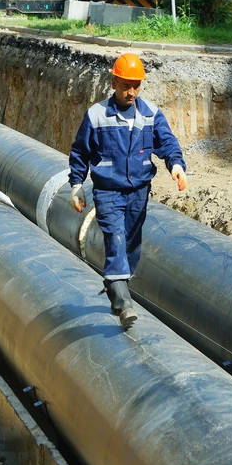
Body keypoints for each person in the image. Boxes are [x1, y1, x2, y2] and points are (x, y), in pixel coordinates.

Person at [68, 53, 187, 330]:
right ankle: (123, 303)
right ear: (114, 82)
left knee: (132, 246)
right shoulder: (96, 115)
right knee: (116, 238)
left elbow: (167, 143)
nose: (131, 92)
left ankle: (116, 286)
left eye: (136, 85)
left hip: (139, 193)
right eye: (126, 85)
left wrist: (177, 165)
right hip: (108, 192)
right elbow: (79, 152)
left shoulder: (151, 114)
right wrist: (76, 185)